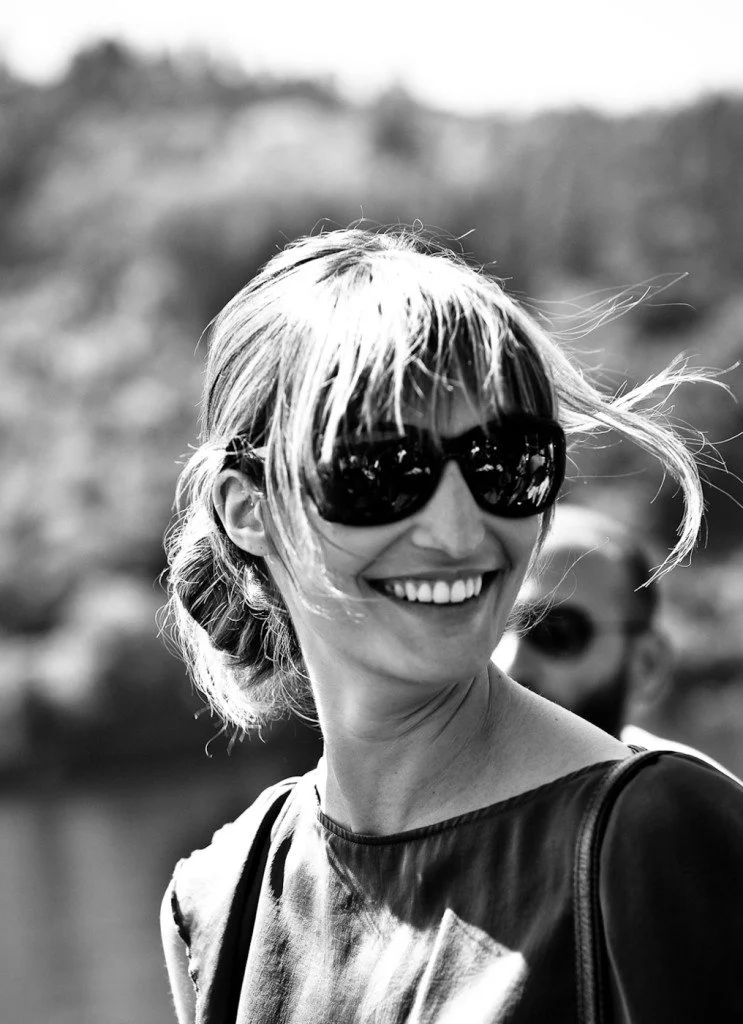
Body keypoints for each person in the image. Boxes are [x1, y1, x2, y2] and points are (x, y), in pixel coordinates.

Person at [159, 226, 743, 1023]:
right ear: (248, 510)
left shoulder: (650, 842)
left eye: (505, 461)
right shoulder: (217, 898)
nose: (461, 533)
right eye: (378, 469)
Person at [493, 502, 739, 776]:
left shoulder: (696, 806)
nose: (508, 665)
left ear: (647, 664)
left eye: (556, 632)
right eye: (492, 628)